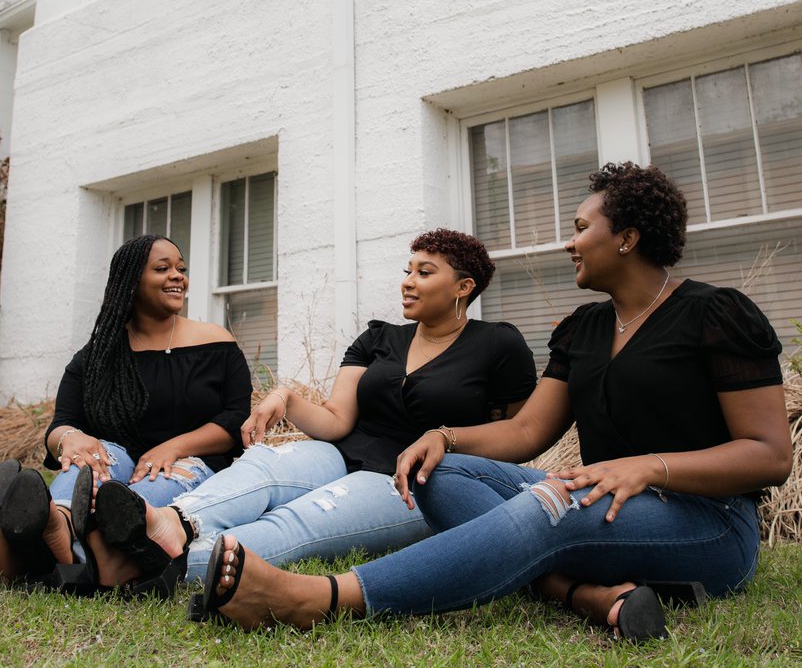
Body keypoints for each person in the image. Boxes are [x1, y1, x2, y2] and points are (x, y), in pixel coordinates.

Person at [176, 163, 792, 639]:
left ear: (628, 237)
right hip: (603, 503)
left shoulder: (713, 314)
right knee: (439, 475)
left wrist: (648, 467)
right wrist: (446, 438)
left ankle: (319, 599)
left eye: (582, 229)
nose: (569, 244)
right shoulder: (585, 329)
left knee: (552, 504)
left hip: (707, 524)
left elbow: (769, 456)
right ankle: (578, 593)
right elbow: (526, 433)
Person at [83, 229, 538, 591]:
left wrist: (451, 444)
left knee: (299, 521)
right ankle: (171, 522)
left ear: (464, 286)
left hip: (411, 481)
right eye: (408, 269)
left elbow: (517, 434)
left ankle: (152, 562)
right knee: (263, 468)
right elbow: (338, 419)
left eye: (425, 272)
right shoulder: (380, 339)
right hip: (342, 450)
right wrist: (287, 397)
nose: (408, 280)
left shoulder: (498, 344)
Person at [0, 234, 252, 591]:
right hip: (115, 459)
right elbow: (61, 426)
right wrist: (73, 439)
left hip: (189, 462)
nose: (177, 276)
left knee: (129, 500)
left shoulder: (215, 343)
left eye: (181, 268)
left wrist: (174, 447)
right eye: (162, 269)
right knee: (93, 458)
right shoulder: (98, 356)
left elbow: (235, 419)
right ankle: (58, 522)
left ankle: (43, 553)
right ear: (131, 282)